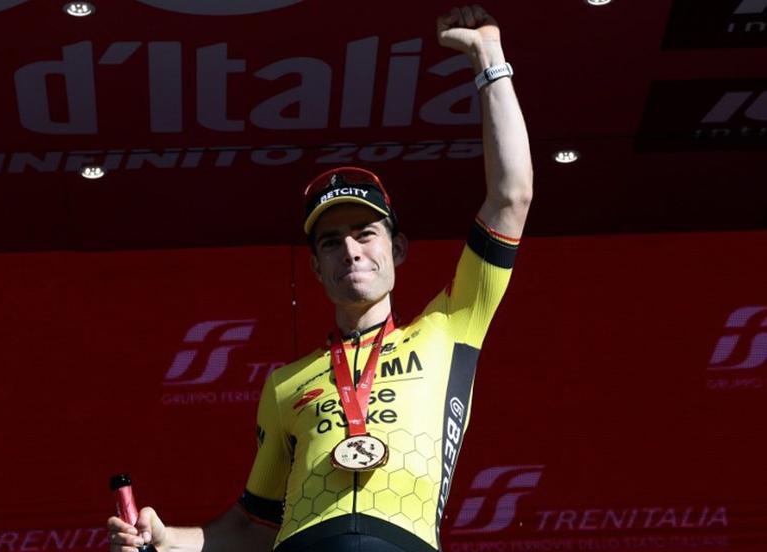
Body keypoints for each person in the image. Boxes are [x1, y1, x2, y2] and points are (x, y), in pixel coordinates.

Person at [108, 4, 532, 551]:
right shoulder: (285, 384)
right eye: (331, 242)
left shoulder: (451, 327)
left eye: (364, 233)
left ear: (398, 248)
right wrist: (166, 540)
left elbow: (511, 197)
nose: (350, 251)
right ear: (315, 267)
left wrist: (489, 59)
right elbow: (251, 528)